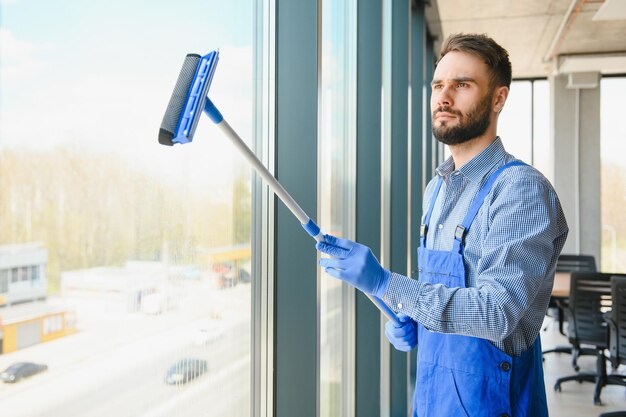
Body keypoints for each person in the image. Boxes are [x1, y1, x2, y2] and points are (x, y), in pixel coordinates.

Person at [317, 33, 569, 417]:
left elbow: (496, 312)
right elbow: (446, 297)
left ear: (499, 98)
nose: (444, 97)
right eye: (438, 85)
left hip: (494, 405)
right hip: (433, 403)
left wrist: (387, 283)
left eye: (462, 85)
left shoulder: (520, 190)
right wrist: (417, 322)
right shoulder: (436, 189)